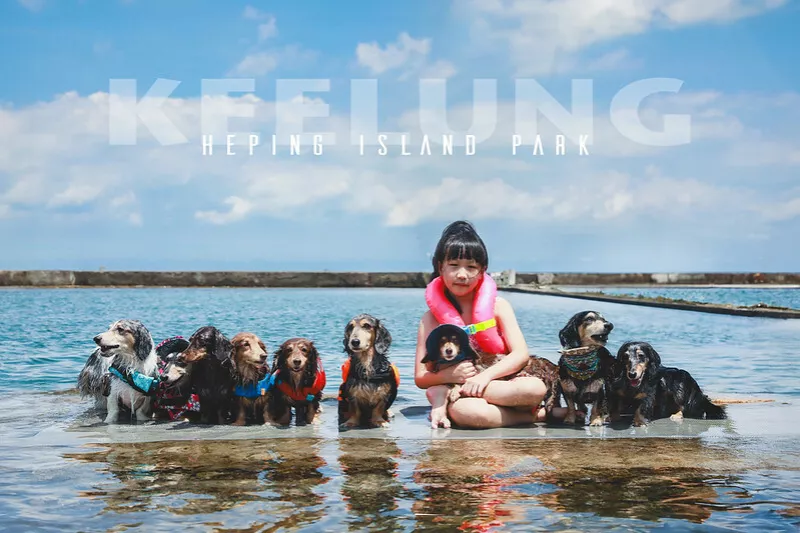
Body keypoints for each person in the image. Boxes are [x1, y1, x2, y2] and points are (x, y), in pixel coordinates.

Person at [414, 220, 568, 429]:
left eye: (471, 267)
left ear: (483, 270)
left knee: (534, 389)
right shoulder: (430, 319)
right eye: (453, 266)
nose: (462, 274)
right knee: (469, 413)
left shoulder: (499, 306)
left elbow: (520, 353)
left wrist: (484, 377)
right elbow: (421, 377)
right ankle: (536, 416)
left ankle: (506, 407)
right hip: (462, 393)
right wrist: (448, 376)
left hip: (501, 382)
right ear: (440, 267)